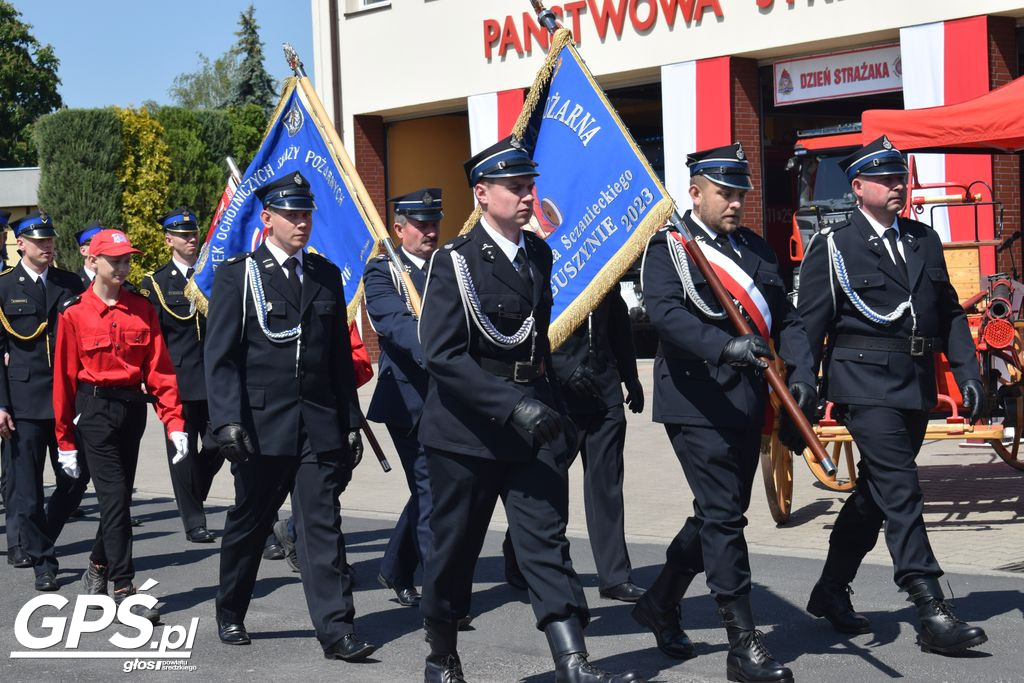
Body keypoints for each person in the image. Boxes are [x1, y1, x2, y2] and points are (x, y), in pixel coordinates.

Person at [417, 136, 642, 683]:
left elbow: (536, 338)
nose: (526, 197)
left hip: (532, 421)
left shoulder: (538, 253)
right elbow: (441, 355)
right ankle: (442, 655)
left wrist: (557, 394)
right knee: (454, 550)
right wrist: (512, 405)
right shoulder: (455, 261)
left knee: (545, 540)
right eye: (515, 188)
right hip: (465, 431)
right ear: (482, 194)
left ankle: (573, 661)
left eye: (529, 187)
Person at [797, 135, 987, 654]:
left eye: (901, 176)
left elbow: (947, 311)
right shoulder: (834, 245)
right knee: (902, 488)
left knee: (878, 495)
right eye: (886, 179)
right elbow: (808, 323)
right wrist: (800, 382)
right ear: (858, 188)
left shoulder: (923, 240)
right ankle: (930, 606)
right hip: (862, 384)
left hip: (914, 383)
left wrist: (968, 370)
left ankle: (830, 590)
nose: (898, 185)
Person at [637, 143, 815, 683]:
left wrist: (804, 373)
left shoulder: (756, 250)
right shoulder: (668, 247)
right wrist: (723, 346)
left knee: (719, 512)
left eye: (741, 193)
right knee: (723, 516)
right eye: (725, 193)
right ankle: (743, 645)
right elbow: (664, 314)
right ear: (695, 192)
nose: (736, 203)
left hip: (747, 399)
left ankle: (660, 601)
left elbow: (787, 319)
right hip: (694, 400)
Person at [204, 171, 374, 661]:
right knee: (250, 523)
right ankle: (231, 608)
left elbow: (338, 358)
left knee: (322, 525)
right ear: (268, 218)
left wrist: (349, 419)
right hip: (260, 425)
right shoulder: (239, 274)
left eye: (306, 214)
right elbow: (222, 358)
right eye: (292, 214)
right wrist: (227, 421)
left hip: (317, 424)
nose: (301, 223)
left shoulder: (324, 275)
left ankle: (337, 630)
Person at [53, 228, 188, 625]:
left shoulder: (142, 309)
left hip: (132, 412)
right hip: (93, 412)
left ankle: (97, 563)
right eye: (116, 260)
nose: (124, 267)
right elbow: (62, 380)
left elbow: (160, 371)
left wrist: (174, 422)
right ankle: (125, 590)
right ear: (93, 262)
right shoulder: (74, 312)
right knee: (114, 502)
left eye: (128, 259)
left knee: (118, 502)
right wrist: (64, 440)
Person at [503, 290, 647, 604]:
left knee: (606, 488)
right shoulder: (544, 256)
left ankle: (615, 577)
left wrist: (630, 375)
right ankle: (517, 552)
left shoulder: (599, 255)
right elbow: (530, 327)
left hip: (604, 391)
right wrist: (565, 367)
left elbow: (617, 320)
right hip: (558, 395)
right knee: (547, 488)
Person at [363, 187, 441, 608]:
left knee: (433, 489)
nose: (430, 232)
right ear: (399, 228)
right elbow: (392, 323)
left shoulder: (448, 267)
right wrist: (435, 349)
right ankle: (439, 596)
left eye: (434, 223)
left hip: (447, 398)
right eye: (421, 224)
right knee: (431, 489)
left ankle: (395, 567)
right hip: (407, 401)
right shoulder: (382, 272)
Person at [0, 211, 86, 588]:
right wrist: (1, 403)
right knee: (29, 487)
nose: (46, 246)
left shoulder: (70, 283)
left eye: (49, 239)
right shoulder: (4, 287)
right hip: (25, 400)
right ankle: (43, 563)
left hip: (69, 398)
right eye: (38, 241)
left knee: (77, 477)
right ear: (21, 244)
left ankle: (42, 536)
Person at [139, 208, 224, 543]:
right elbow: (152, 335)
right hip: (177, 382)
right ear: (168, 240)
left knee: (220, 442)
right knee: (182, 451)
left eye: (194, 234)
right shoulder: (156, 283)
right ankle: (194, 521)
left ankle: (193, 493)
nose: (191, 240)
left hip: (214, 379)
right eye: (183, 235)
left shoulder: (212, 277)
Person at [74, 221, 104, 288]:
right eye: (97, 244)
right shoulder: (72, 285)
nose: (103, 248)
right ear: (83, 251)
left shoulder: (120, 284)